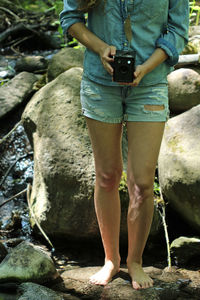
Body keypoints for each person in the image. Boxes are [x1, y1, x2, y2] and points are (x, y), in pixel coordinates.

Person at [60, 0, 189, 290]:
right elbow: (70, 17)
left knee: (142, 183)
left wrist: (145, 67)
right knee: (106, 176)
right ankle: (110, 260)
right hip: (99, 82)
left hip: (150, 83)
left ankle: (135, 262)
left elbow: (178, 31)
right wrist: (100, 48)